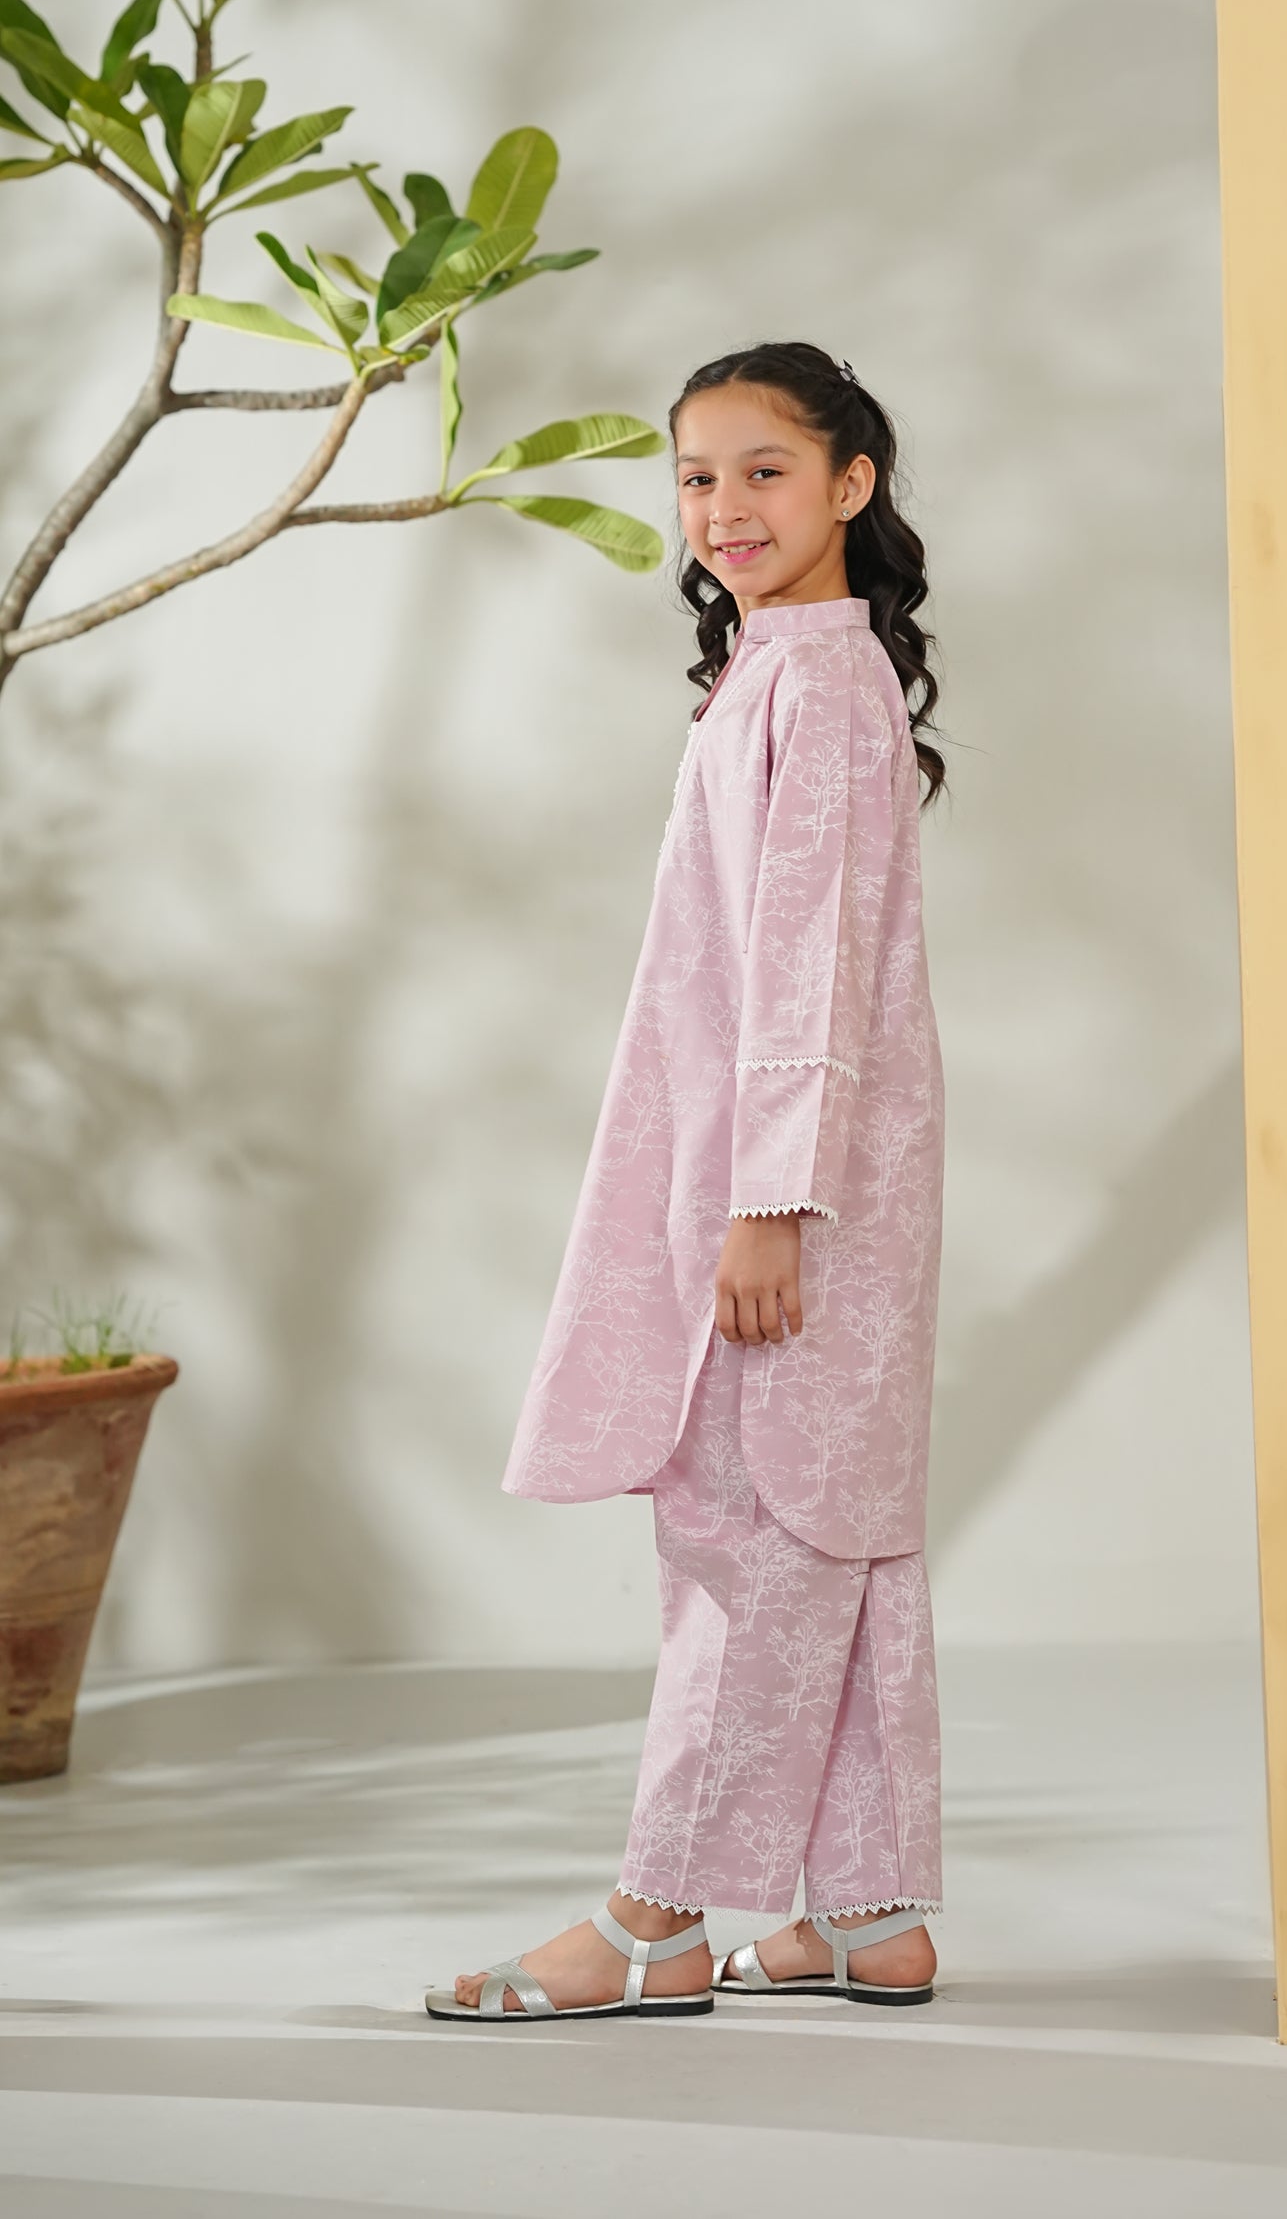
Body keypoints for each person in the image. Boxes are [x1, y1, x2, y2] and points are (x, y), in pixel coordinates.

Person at [427, 340, 947, 2024]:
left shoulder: (820, 690)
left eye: (763, 471)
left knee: (753, 1534)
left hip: (791, 1198)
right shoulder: (780, 676)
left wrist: (769, 1204)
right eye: (697, 476)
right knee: (832, 1526)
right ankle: (867, 1912)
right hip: (790, 1179)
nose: (722, 507)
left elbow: (808, 969)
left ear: (853, 484)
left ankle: (652, 1924)